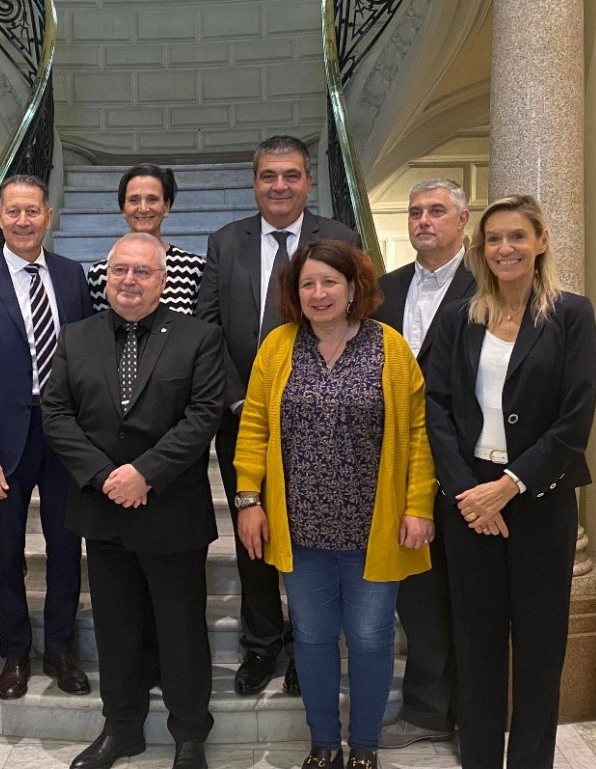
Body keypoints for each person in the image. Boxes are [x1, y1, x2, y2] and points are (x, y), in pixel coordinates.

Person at [233, 239, 436, 769]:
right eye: (307, 284)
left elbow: (417, 433)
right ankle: (324, 742)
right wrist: (249, 499)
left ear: (353, 288)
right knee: (313, 637)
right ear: (293, 292)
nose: (318, 293)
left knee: (371, 638)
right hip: (299, 527)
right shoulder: (277, 346)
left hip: (375, 526)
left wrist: (419, 506)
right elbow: (253, 427)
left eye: (329, 282)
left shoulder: (389, 347)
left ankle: (364, 744)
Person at [425, 195, 596, 769]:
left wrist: (511, 485)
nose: (505, 249)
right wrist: (467, 495)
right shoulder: (459, 317)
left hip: (540, 506)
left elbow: (574, 422)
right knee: (475, 650)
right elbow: (437, 408)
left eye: (517, 237)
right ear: (481, 249)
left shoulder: (571, 314)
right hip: (470, 503)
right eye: (494, 239)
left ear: (541, 241)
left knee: (539, 652)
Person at [43, 233, 223, 769]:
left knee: (181, 629)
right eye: (120, 270)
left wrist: (145, 473)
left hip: (172, 510)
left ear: (162, 280)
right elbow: (56, 414)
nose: (129, 280)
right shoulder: (76, 337)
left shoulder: (198, 337)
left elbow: (204, 414)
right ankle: (122, 729)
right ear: (106, 276)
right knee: (116, 629)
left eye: (142, 272)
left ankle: (190, 734)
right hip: (103, 512)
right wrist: (104, 476)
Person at [195, 135, 360, 696]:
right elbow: (208, 327)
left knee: (314, 535)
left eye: (291, 175)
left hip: (325, 422)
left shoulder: (339, 238)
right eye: (269, 176)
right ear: (255, 181)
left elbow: (356, 320)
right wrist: (241, 399)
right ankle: (262, 645)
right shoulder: (225, 242)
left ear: (309, 181)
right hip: (243, 416)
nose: (280, 186)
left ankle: (308, 647)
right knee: (253, 534)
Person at [0, 175, 93, 700]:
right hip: (3, 439)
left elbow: (87, 359)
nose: (23, 220)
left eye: (32, 211)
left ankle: (59, 649)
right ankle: (14, 652)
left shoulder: (72, 276)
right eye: (13, 212)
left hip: (65, 433)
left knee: (64, 545)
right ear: (0, 219)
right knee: (4, 549)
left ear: (48, 216)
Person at [372, 179, 474, 749]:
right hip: (396, 467)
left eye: (436, 211)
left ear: (462, 221)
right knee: (418, 593)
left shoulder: (485, 286)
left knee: (469, 591)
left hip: (466, 468)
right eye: (415, 212)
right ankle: (427, 708)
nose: (423, 221)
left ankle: (472, 710)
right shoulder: (384, 291)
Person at [86, 163, 205, 314]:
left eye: (152, 199)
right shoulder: (101, 273)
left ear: (166, 207)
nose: (143, 208)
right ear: (123, 208)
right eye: (134, 200)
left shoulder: (193, 268)